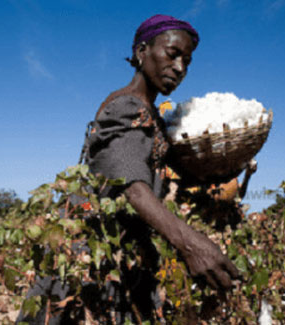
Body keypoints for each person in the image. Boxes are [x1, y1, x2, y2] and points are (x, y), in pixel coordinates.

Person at [19, 14, 239, 324]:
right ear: (141, 52)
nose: (180, 68)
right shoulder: (126, 107)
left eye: (187, 61)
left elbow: (174, 173)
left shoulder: (152, 116)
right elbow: (133, 188)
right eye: (173, 54)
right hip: (90, 255)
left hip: (119, 255)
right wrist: (191, 244)